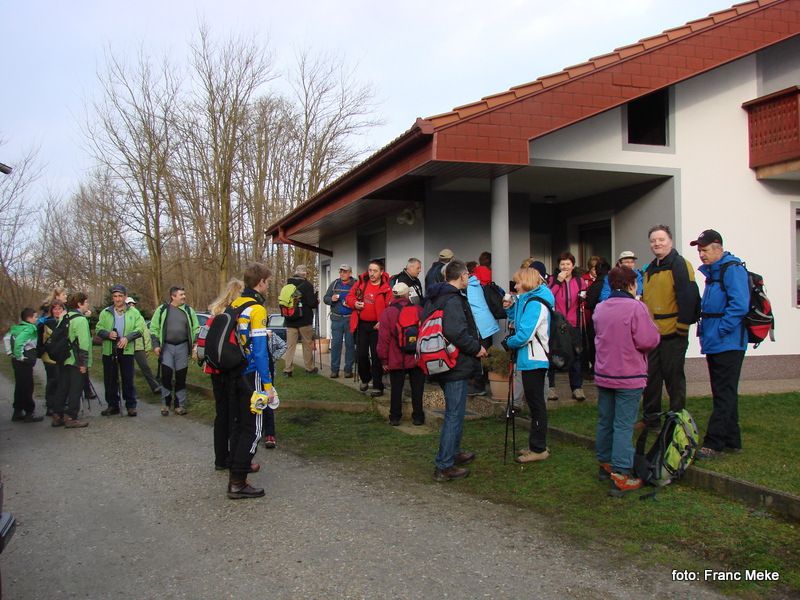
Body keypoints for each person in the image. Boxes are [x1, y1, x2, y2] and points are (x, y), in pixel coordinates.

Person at [593, 267, 660, 495]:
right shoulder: (636, 307)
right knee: (623, 424)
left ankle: (605, 462)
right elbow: (648, 340)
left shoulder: (601, 308)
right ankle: (621, 473)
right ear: (632, 285)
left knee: (606, 420)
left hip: (605, 372)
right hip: (628, 374)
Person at [424, 260, 487, 482]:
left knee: (456, 411)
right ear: (461, 277)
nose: (468, 279)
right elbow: (456, 332)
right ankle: (444, 465)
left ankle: (453, 453)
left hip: (441, 361)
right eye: (467, 275)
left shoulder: (436, 297)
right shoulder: (452, 299)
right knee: (453, 413)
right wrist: (476, 348)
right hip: (454, 363)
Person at [691, 230, 750, 460]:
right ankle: (732, 440)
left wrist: (722, 329)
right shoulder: (714, 273)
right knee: (724, 391)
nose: (701, 255)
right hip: (716, 340)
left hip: (728, 342)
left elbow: (739, 305)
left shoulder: (731, 269)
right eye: (699, 251)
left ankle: (713, 444)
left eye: (704, 250)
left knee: (723, 393)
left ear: (718, 247)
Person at [641, 225, 701, 430]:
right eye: (653, 240)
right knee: (650, 379)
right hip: (653, 335)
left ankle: (676, 421)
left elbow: (689, 296)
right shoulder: (649, 269)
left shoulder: (680, 265)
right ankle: (651, 419)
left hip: (674, 332)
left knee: (674, 378)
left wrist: (682, 327)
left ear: (670, 241)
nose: (657, 243)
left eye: (661, 239)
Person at [226, 262, 276, 499]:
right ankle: (238, 482)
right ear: (261, 282)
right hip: (252, 373)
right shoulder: (257, 309)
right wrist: (268, 386)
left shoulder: (235, 303)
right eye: (268, 281)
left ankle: (237, 471)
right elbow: (259, 352)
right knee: (254, 428)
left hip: (234, 371)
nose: (268, 285)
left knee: (238, 423)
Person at [203, 279, 262, 473]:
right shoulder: (234, 315)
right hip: (229, 371)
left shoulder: (214, 314)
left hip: (213, 370)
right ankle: (236, 461)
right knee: (235, 416)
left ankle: (221, 458)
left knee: (221, 415)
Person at [501, 267, 554, 463]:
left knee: (536, 404)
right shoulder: (527, 300)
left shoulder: (535, 304)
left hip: (535, 359)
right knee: (534, 403)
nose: (514, 286)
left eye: (517, 282)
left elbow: (524, 334)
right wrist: (509, 308)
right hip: (529, 358)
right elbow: (518, 321)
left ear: (527, 282)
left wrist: (508, 343)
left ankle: (539, 448)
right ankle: (536, 445)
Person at [376, 282, 426, 426]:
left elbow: (383, 339)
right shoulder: (419, 310)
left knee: (396, 389)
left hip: (396, 357)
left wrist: (383, 360)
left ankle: (395, 417)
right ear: (407, 294)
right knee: (418, 389)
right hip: (416, 357)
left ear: (393, 295)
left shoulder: (387, 312)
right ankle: (418, 417)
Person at [97, 284, 147, 417]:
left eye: (120, 296)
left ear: (125, 297)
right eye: (115, 296)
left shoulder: (133, 312)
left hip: (126, 349)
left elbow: (140, 329)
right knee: (110, 379)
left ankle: (131, 405)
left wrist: (128, 338)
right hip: (110, 349)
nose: (118, 299)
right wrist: (107, 334)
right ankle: (113, 405)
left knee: (127, 378)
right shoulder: (106, 312)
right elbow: (98, 329)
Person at [344, 260, 392, 397]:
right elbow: (349, 297)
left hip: (377, 326)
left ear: (381, 272)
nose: (371, 273)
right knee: (361, 355)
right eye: (370, 270)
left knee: (377, 356)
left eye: (375, 271)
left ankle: (378, 385)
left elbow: (391, 307)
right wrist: (355, 304)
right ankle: (365, 378)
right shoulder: (361, 283)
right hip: (362, 324)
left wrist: (383, 322)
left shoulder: (386, 287)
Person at [149, 285, 200, 415]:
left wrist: (195, 344)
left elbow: (196, 329)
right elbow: (153, 328)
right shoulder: (162, 310)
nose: (184, 296)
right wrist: (156, 345)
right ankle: (165, 404)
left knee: (181, 376)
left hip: (183, 347)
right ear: (173, 296)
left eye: (184, 294)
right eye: (181, 294)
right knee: (166, 376)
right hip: (167, 347)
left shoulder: (189, 311)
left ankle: (179, 405)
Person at [547, 252, 586, 401]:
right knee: (553, 353)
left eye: (568, 264)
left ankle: (577, 388)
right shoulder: (552, 279)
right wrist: (558, 282)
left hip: (574, 323)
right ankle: (551, 387)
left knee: (576, 355)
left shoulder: (579, 281)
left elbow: (583, 299)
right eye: (562, 264)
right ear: (558, 266)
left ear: (573, 265)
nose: (565, 267)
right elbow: (549, 297)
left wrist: (584, 298)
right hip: (557, 323)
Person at [52, 292, 92, 428]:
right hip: (76, 359)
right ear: (80, 304)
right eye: (86, 302)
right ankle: (71, 417)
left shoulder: (65, 316)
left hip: (63, 358)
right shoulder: (80, 320)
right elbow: (84, 343)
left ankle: (57, 415)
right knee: (75, 388)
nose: (88, 304)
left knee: (63, 387)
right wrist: (83, 363)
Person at [465, 267, 500, 396]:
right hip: (487, 323)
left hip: (480, 326)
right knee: (485, 354)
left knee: (479, 354)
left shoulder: (467, 288)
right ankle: (483, 382)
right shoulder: (476, 284)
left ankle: (479, 386)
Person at [282, 265, 319, 376]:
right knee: (307, 344)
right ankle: (309, 368)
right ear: (305, 274)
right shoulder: (307, 286)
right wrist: (316, 300)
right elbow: (312, 303)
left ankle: (287, 370)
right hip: (304, 320)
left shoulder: (288, 284)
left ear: (296, 272)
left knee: (290, 346)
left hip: (290, 320)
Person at [9, 308, 43, 423]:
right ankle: (29, 412)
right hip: (23, 362)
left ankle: (17, 411)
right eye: (35, 317)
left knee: (20, 386)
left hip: (16, 361)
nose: (36, 319)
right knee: (27, 387)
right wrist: (20, 356)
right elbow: (19, 342)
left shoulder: (17, 328)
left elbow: (6, 338)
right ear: (29, 318)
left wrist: (11, 353)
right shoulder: (29, 329)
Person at [322, 264, 356, 378]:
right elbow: (325, 298)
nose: (342, 274)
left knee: (350, 345)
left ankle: (348, 370)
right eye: (340, 271)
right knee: (336, 345)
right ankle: (334, 370)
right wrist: (331, 299)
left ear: (350, 273)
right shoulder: (335, 284)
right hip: (336, 318)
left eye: (345, 272)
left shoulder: (356, 284)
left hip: (350, 318)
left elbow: (360, 297)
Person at [126, 297, 161, 394]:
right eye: (129, 304)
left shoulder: (139, 317)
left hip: (139, 347)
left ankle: (155, 387)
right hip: (127, 347)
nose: (131, 306)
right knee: (129, 370)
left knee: (145, 368)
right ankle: (131, 391)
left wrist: (147, 347)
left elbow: (145, 332)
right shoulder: (123, 316)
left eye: (133, 304)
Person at [38, 301, 66, 418]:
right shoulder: (46, 323)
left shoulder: (66, 322)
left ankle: (59, 405)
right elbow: (40, 340)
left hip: (62, 356)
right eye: (55, 309)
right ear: (51, 311)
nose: (57, 311)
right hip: (49, 356)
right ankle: (50, 406)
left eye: (60, 309)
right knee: (52, 380)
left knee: (62, 381)